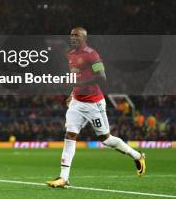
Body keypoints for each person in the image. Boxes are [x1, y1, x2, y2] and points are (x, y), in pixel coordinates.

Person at [46, 27, 146, 188]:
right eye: (71, 35)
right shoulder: (70, 55)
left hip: (94, 103)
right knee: (70, 135)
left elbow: (102, 77)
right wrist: (73, 92)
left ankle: (137, 155)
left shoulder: (92, 55)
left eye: (76, 35)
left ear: (84, 38)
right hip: (77, 103)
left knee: (106, 139)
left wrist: (80, 84)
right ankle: (63, 178)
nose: (72, 37)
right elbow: (77, 77)